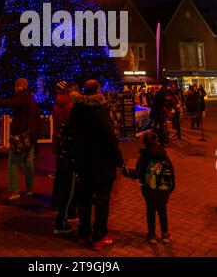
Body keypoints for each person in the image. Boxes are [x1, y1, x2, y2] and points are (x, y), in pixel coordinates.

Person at [70, 79, 126, 251]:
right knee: (102, 199)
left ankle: (84, 232)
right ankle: (99, 235)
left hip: (82, 161)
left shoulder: (76, 109)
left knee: (84, 199)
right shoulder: (99, 110)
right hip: (101, 163)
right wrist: (119, 160)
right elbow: (110, 138)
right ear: (98, 90)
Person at [0, 78, 40, 202]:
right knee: (29, 164)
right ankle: (30, 189)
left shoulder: (21, 97)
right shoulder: (32, 99)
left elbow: (10, 102)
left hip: (21, 136)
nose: (14, 89)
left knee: (13, 163)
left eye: (16, 86)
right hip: (31, 136)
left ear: (19, 86)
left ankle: (14, 191)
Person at [135, 131, 175, 244]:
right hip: (163, 188)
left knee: (150, 211)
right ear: (157, 141)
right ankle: (165, 234)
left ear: (144, 143)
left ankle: (152, 235)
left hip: (148, 188)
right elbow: (171, 171)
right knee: (162, 210)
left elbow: (139, 173)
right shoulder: (163, 154)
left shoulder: (144, 156)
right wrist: (171, 186)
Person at [52, 81, 77, 235]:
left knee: (60, 175)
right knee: (70, 182)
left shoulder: (56, 105)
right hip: (69, 146)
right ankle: (67, 213)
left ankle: (57, 202)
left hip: (58, 142)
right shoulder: (71, 106)